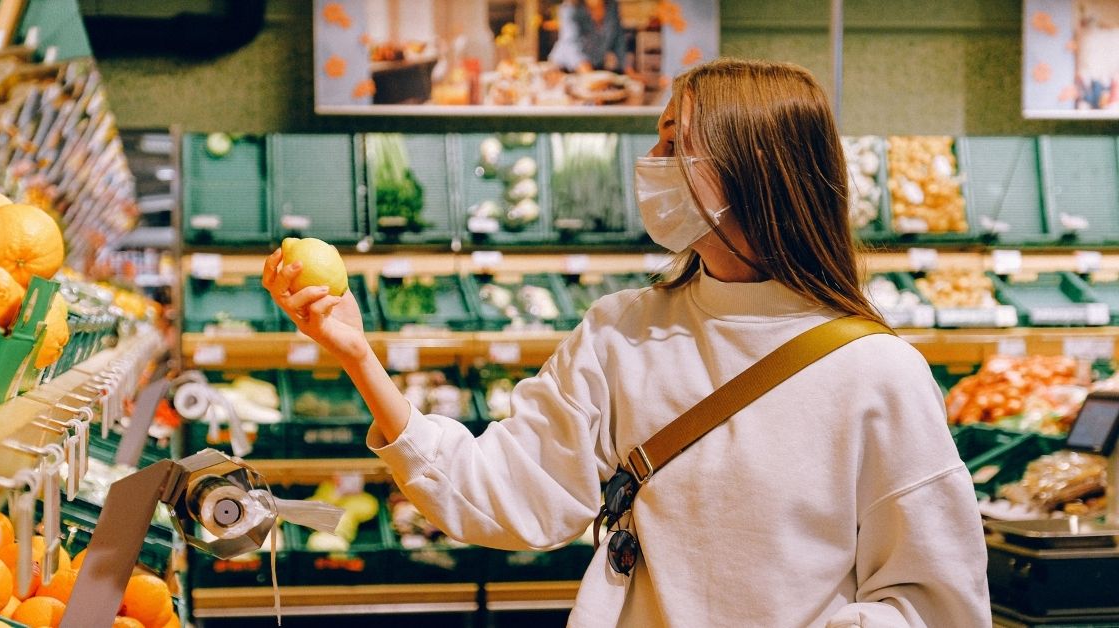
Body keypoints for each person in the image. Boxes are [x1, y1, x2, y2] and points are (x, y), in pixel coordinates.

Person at [262, 58, 990, 627]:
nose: (652, 160)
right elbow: (503, 493)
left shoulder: (875, 373)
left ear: (753, 168)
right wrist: (358, 355)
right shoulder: (623, 333)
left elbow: (935, 601)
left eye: (676, 143)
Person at [547, 0, 628, 74]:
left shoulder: (612, 7)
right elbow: (570, 43)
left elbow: (619, 40)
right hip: (566, 68)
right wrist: (587, 73)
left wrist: (628, 70)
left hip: (595, 66)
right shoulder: (570, 9)